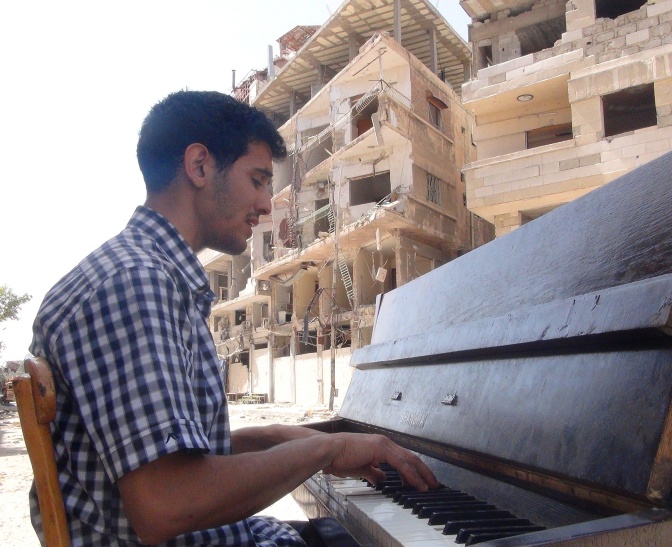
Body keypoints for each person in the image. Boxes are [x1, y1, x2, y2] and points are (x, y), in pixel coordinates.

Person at [29, 90, 438, 545]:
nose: (266, 204)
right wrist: (331, 446)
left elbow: (186, 453)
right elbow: (167, 503)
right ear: (200, 165)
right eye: (258, 179)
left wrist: (287, 439)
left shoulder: (146, 275)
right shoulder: (135, 284)